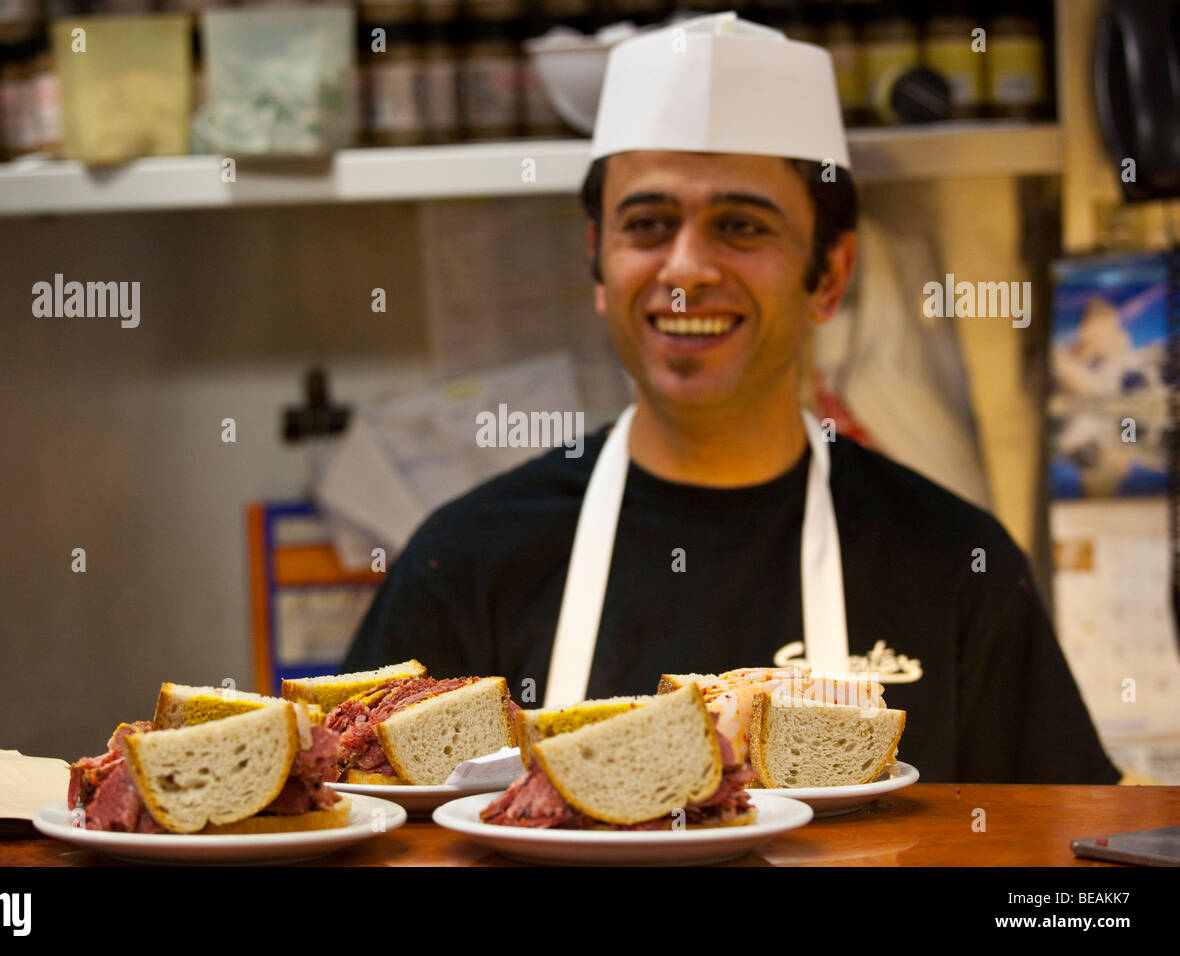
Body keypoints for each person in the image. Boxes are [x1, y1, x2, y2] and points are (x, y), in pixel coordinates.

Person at [341, 13, 1120, 784]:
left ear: (830, 274)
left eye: (741, 226)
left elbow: (1064, 871)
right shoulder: (468, 561)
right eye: (647, 224)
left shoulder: (956, 566)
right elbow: (367, 821)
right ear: (598, 266)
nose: (685, 269)